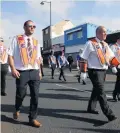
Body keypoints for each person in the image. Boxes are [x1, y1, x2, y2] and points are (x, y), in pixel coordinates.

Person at [81, 26, 120, 121]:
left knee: (96, 90)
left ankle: (91, 108)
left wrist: (114, 66)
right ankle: (109, 114)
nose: (106, 34)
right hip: (94, 71)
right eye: (104, 32)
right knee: (101, 92)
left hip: (103, 71)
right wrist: (83, 71)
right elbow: (83, 57)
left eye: (106, 32)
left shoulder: (105, 45)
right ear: (98, 33)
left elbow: (111, 57)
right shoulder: (90, 43)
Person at [8, 20, 42, 127]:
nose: (32, 28)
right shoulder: (16, 39)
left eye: (34, 26)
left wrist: (40, 71)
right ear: (24, 27)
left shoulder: (36, 42)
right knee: (21, 94)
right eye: (30, 26)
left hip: (34, 71)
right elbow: (10, 55)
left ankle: (32, 118)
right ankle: (17, 108)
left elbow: (38, 58)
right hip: (21, 72)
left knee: (35, 96)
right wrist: (13, 69)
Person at [110, 37, 120, 101]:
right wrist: (113, 66)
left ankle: (117, 94)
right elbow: (111, 56)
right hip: (117, 66)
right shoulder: (113, 46)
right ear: (118, 40)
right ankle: (115, 94)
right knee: (119, 81)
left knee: (119, 81)